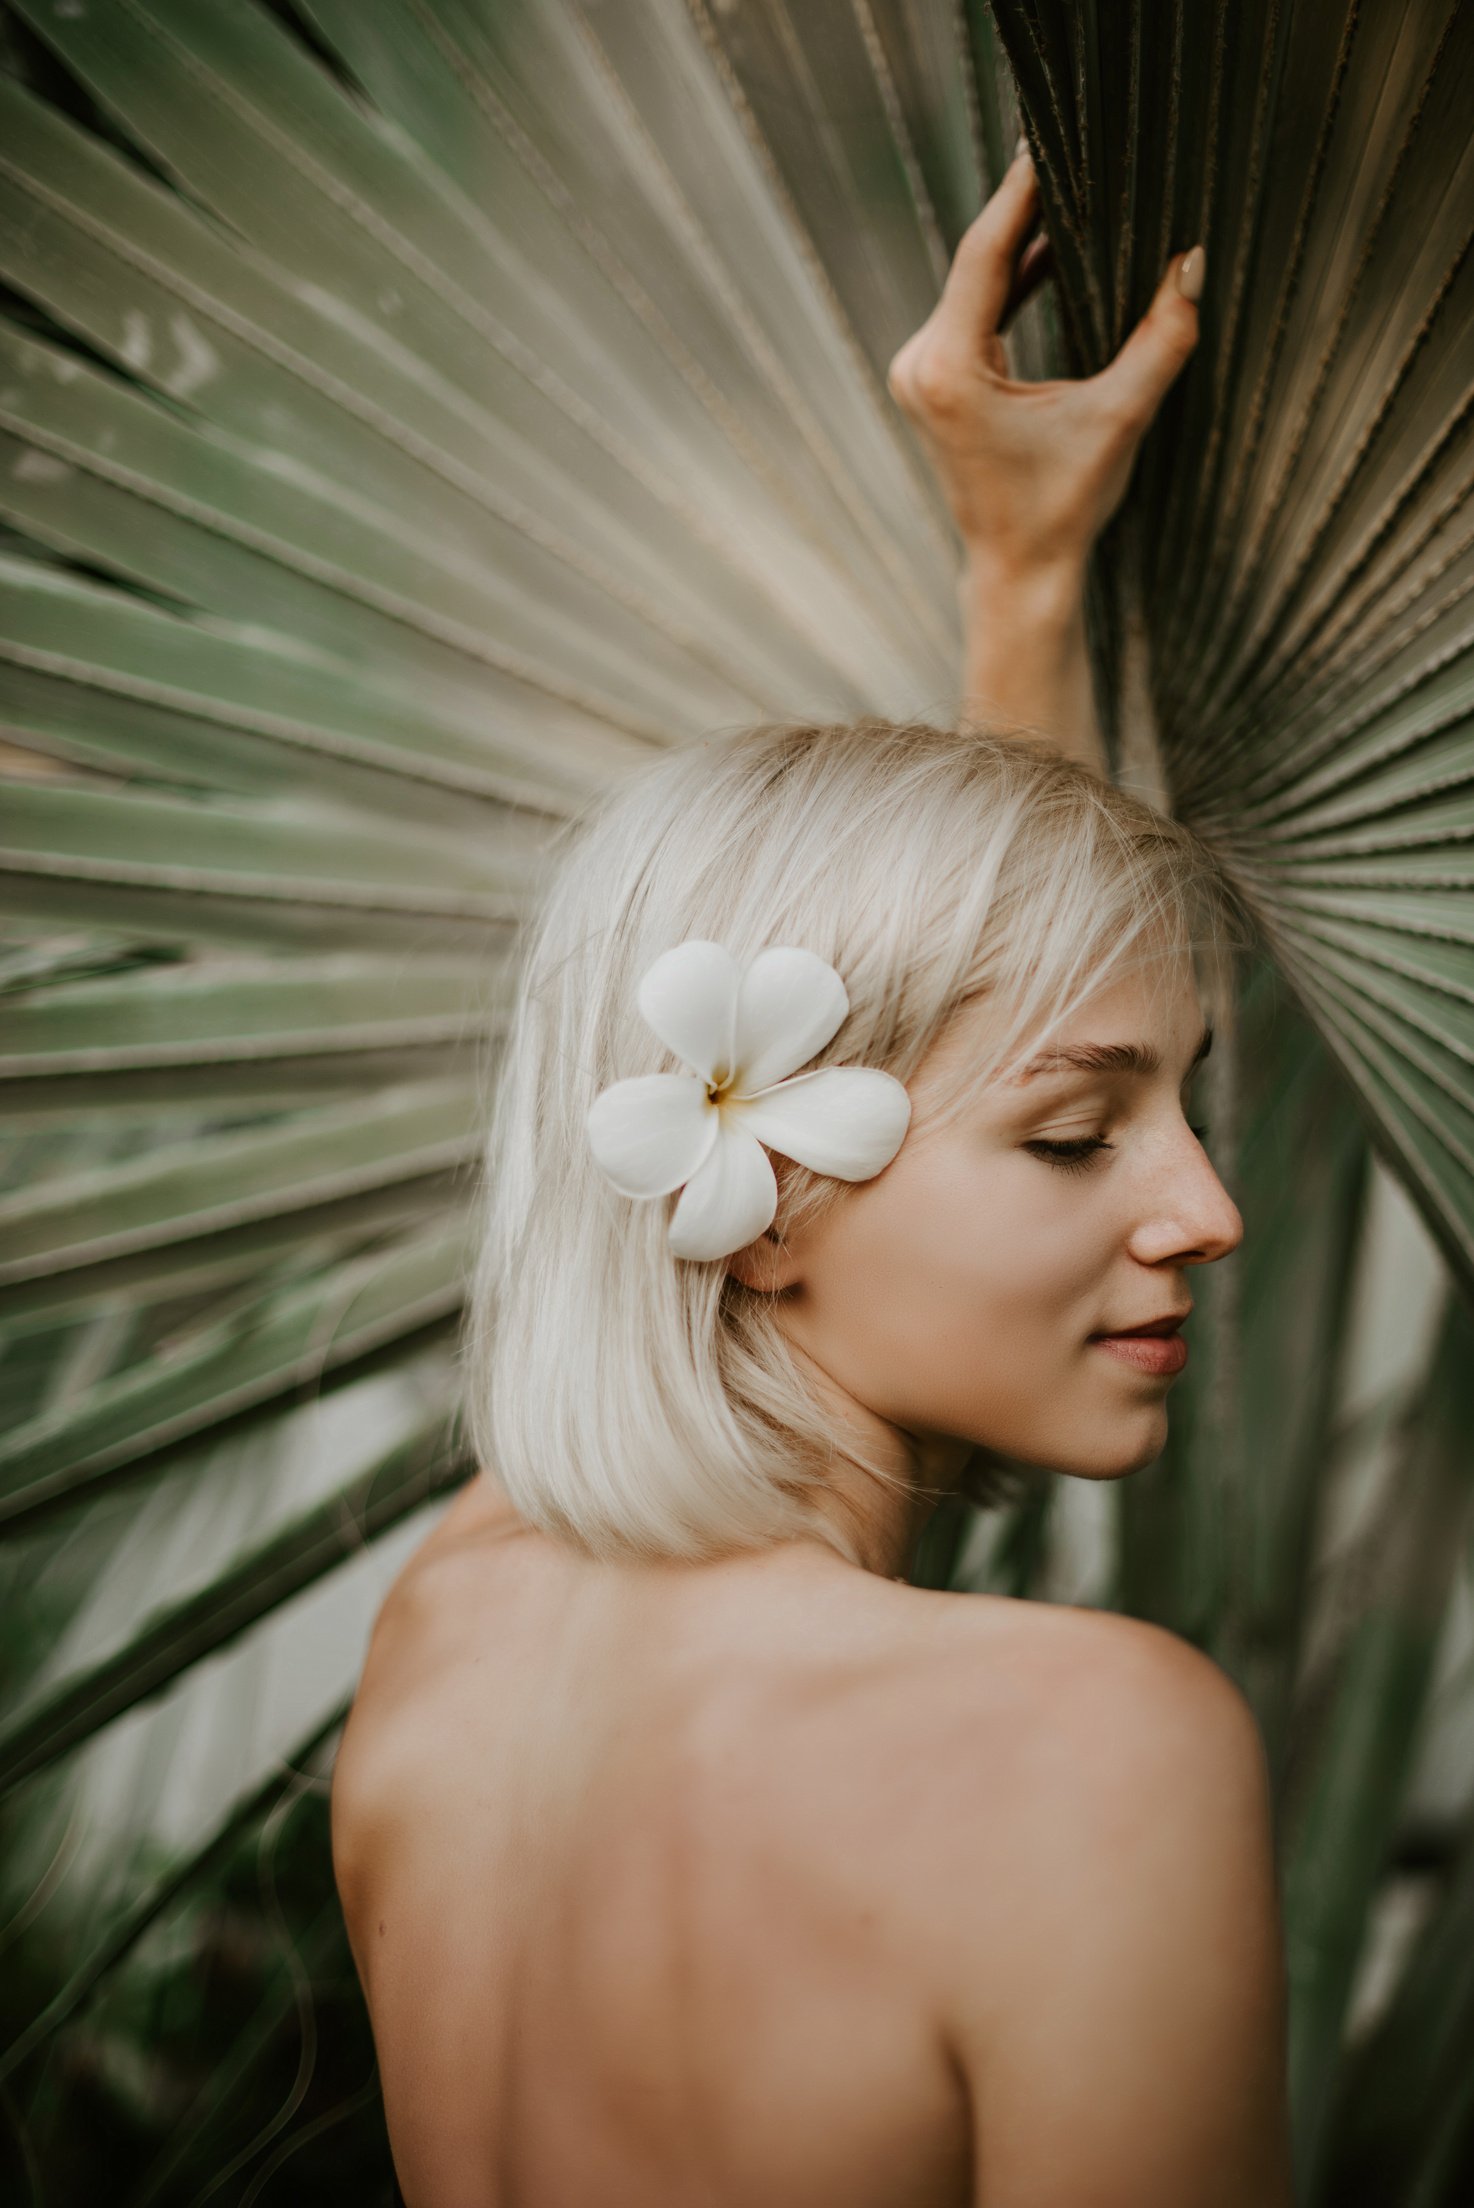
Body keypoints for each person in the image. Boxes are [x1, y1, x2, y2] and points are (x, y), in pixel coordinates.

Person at [331, 143, 1294, 2208]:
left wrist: (1017, 591)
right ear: (762, 1201)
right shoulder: (1085, 1752)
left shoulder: (450, 1630)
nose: (1201, 1209)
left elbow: (922, 1049)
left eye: (1171, 1108)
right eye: (1075, 1135)